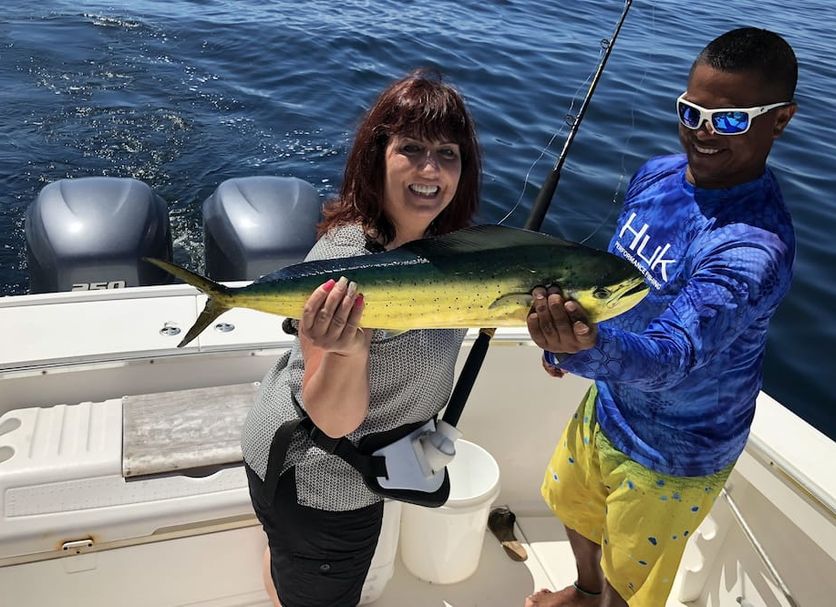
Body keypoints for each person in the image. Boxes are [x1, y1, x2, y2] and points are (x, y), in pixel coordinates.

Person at [524, 27, 797, 607]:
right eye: (691, 111)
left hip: (676, 452)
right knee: (573, 506)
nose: (703, 132)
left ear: (780, 120)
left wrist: (584, 349)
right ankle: (583, 590)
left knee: (631, 583)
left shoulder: (751, 249)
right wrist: (570, 343)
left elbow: (674, 356)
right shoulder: (657, 174)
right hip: (609, 403)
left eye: (730, 120)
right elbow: (615, 286)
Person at [240, 69, 481, 607]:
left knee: (286, 568)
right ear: (377, 157)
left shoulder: (446, 250)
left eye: (447, 153)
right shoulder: (345, 260)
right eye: (411, 148)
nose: (430, 169)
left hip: (313, 464)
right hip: (321, 484)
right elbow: (331, 418)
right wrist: (348, 351)